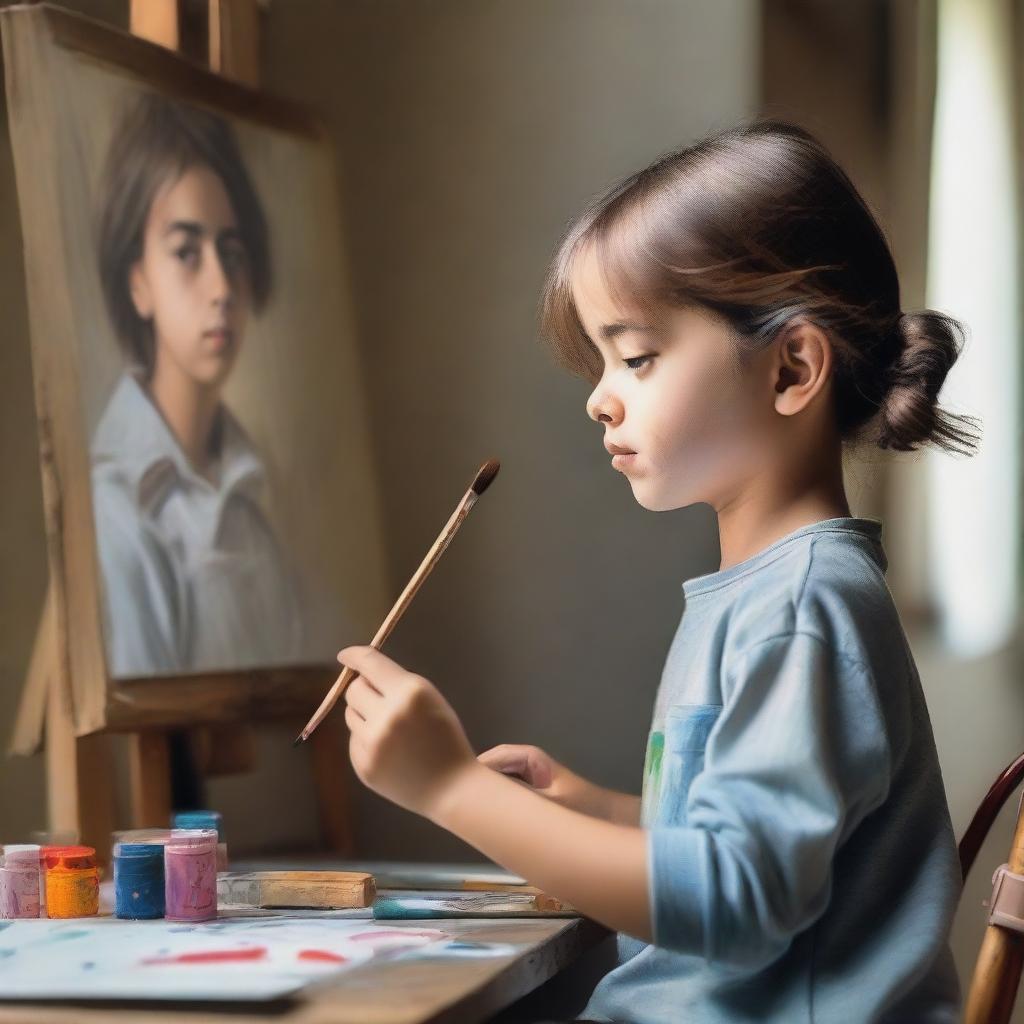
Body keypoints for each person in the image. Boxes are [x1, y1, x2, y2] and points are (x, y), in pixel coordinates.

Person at [334, 120, 976, 1022]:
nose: (600, 394)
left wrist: (452, 789)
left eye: (636, 357)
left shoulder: (802, 607)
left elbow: (738, 902)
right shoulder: (769, 592)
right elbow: (749, 848)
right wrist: (587, 807)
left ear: (792, 368)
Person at [92, 92, 303, 677]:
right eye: (186, 252)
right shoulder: (115, 508)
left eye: (231, 253)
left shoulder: (251, 503)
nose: (221, 288)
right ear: (137, 282)